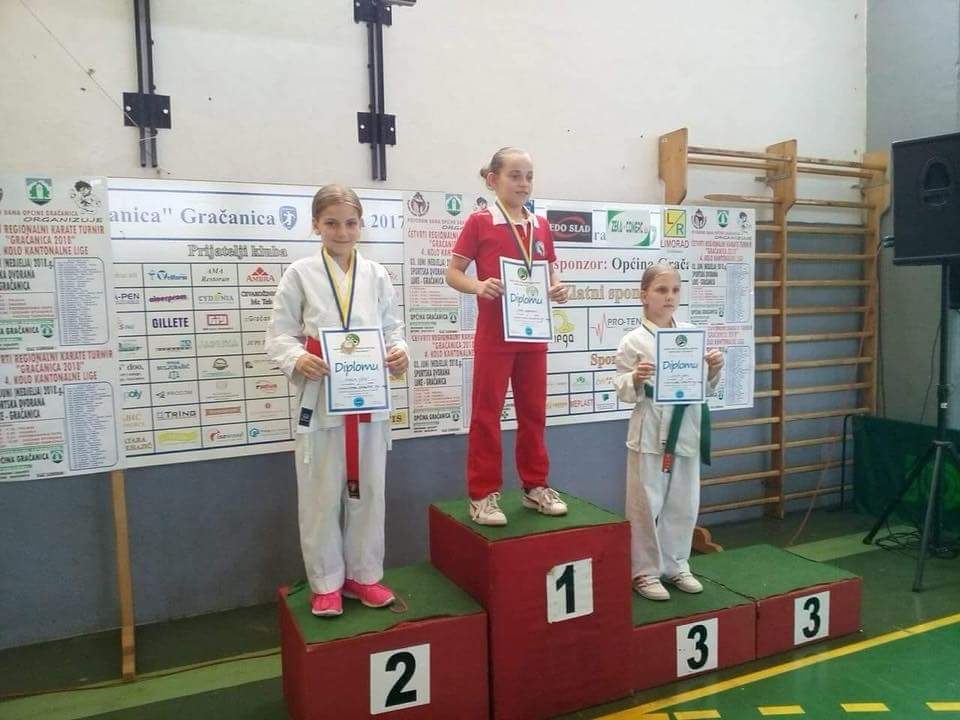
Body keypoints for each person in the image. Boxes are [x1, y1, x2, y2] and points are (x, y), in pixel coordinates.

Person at [266, 184, 408, 616]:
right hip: (323, 397)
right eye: (331, 223)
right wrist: (297, 358)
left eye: (350, 223)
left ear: (361, 225)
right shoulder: (300, 273)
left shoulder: (376, 274)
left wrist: (400, 353)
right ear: (316, 225)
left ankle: (364, 576)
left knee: (370, 492)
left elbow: (393, 328)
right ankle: (326, 581)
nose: (342, 232)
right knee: (320, 495)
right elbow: (279, 334)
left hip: (368, 397)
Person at [446, 146, 570, 525]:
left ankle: (535, 486)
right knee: (487, 415)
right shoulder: (480, 222)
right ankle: (482, 495)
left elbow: (550, 271)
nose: (523, 183)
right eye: (514, 176)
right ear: (492, 179)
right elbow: (453, 273)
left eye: (529, 176)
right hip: (495, 335)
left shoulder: (540, 225)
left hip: (534, 334)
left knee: (534, 413)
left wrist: (558, 287)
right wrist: (477, 286)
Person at [613, 263, 724, 601]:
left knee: (684, 501)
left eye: (675, 290)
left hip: (686, 425)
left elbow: (703, 387)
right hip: (650, 429)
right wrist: (635, 378)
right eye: (661, 290)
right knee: (645, 504)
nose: (669, 297)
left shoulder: (689, 334)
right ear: (644, 295)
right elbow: (621, 388)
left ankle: (676, 564)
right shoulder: (632, 341)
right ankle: (644, 572)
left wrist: (713, 370)